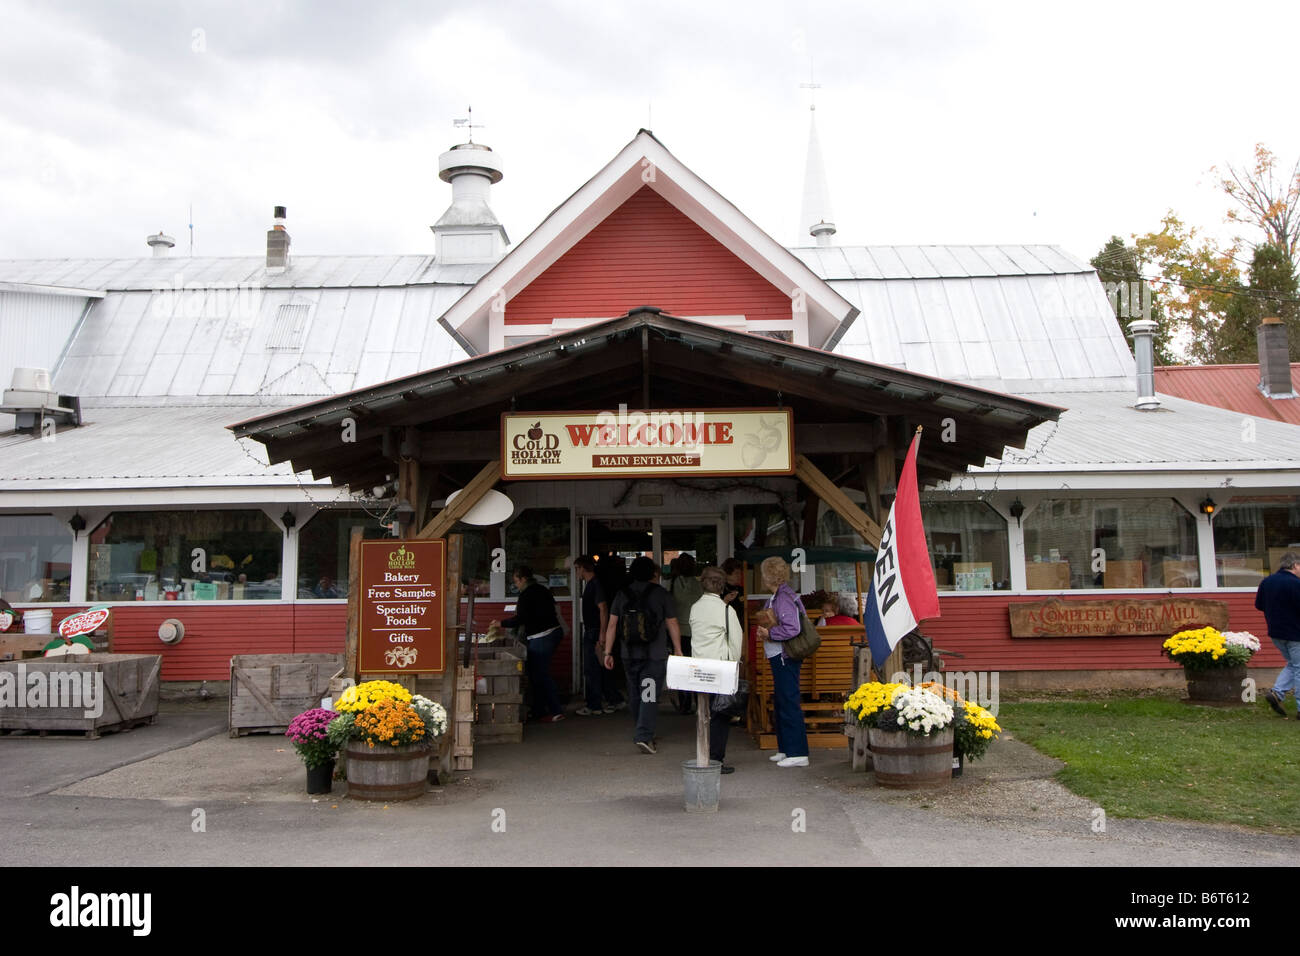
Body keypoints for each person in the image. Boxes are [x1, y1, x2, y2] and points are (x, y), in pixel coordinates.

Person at [602, 555, 682, 754]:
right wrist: (678, 649)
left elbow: (612, 625)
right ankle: (644, 735)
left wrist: (607, 652)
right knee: (649, 694)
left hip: (628, 654)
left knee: (635, 693)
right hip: (653, 656)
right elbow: (672, 623)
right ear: (653, 573)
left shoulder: (622, 594)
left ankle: (641, 729)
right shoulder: (661, 594)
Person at [495, 565, 565, 723]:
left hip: (542, 636)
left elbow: (521, 619)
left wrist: (501, 623)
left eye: (516, 582)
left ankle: (555, 710)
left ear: (523, 579)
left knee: (541, 674)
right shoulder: (543, 589)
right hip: (552, 632)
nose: (516, 585)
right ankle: (540, 710)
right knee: (536, 673)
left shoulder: (526, 595)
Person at [756, 556, 809, 767]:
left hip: (784, 655)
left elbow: (792, 628)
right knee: (782, 700)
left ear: (768, 576)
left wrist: (769, 634)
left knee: (788, 699)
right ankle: (786, 748)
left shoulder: (783, 598)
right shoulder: (781, 595)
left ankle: (798, 753)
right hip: (780, 655)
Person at [691, 566, 743, 774]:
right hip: (720, 668)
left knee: (703, 713)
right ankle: (715, 759)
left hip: (698, 668)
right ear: (722, 587)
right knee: (720, 716)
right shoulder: (726, 610)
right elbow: (736, 643)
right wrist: (735, 665)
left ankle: (702, 754)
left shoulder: (695, 608)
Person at [574, 555, 621, 716]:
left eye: (576, 568)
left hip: (594, 630)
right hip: (594, 629)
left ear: (582, 568)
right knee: (601, 666)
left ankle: (594, 704)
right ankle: (614, 698)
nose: (576, 572)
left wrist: (602, 632)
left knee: (591, 668)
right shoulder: (592, 584)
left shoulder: (595, 585)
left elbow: (603, 608)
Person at [1256, 551, 1300, 717]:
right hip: (1296, 633)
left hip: (1276, 633)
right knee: (1299, 669)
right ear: (1295, 565)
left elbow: (1259, 605)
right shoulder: (1295, 584)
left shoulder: (1267, 582)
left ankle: (1277, 693)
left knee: (1293, 664)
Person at [668, 554, 704, 714]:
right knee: (697, 668)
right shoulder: (698, 585)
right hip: (696, 631)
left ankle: (684, 703)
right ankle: (699, 702)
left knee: (682, 668)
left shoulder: (675, 583)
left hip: (679, 631)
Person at [720, 558, 747, 630]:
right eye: (736, 573)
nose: (740, 576)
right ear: (727, 574)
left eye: (740, 573)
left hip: (742, 629)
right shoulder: (720, 591)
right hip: (728, 628)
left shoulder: (742, 590)